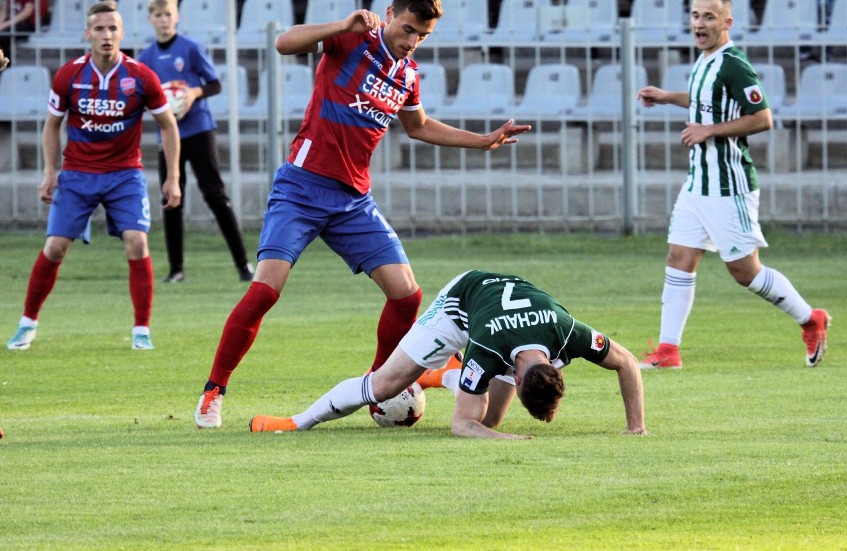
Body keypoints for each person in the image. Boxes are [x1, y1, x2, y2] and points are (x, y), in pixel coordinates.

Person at [193, 1, 532, 429]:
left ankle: (380, 383)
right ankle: (213, 391)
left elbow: (419, 126)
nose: (412, 42)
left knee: (406, 294)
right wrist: (341, 23)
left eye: (422, 36)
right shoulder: (352, 36)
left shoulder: (407, 73)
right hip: (301, 188)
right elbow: (283, 43)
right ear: (390, 12)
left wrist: (482, 140)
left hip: (353, 201)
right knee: (265, 290)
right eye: (408, 29)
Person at [636, 0, 830, 370]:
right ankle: (667, 351)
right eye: (695, 15)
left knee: (744, 271)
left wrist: (708, 130)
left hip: (729, 186)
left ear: (727, 21)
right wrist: (667, 97)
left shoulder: (734, 64)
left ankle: (810, 319)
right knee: (679, 257)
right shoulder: (705, 61)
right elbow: (705, 100)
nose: (699, 23)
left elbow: (762, 118)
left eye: (708, 16)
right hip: (698, 183)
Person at [249, 270, 648, 439]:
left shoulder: (567, 332)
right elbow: (460, 426)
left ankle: (445, 376)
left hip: (509, 319)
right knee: (388, 383)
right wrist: (511, 438)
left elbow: (627, 363)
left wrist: (636, 429)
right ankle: (296, 422)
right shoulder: (489, 346)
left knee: (487, 420)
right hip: (461, 303)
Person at [6, 0, 181, 351]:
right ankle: (27, 323)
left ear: (122, 33)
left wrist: (172, 176)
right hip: (77, 173)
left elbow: (168, 124)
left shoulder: (140, 76)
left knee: (137, 241)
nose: (107, 35)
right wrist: (49, 172)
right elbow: (52, 125)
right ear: (88, 33)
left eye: (113, 28)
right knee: (55, 248)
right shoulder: (69, 75)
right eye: (99, 29)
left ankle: (141, 330)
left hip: (124, 174)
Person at [138, 0, 254, 284]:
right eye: (158, 15)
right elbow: (140, 96)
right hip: (167, 134)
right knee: (171, 198)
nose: (164, 20)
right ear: (150, 19)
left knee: (215, 194)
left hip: (199, 129)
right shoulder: (146, 57)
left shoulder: (190, 48)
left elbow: (215, 84)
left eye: (168, 14)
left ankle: (243, 265)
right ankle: (176, 269)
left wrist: (191, 94)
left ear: (176, 17)